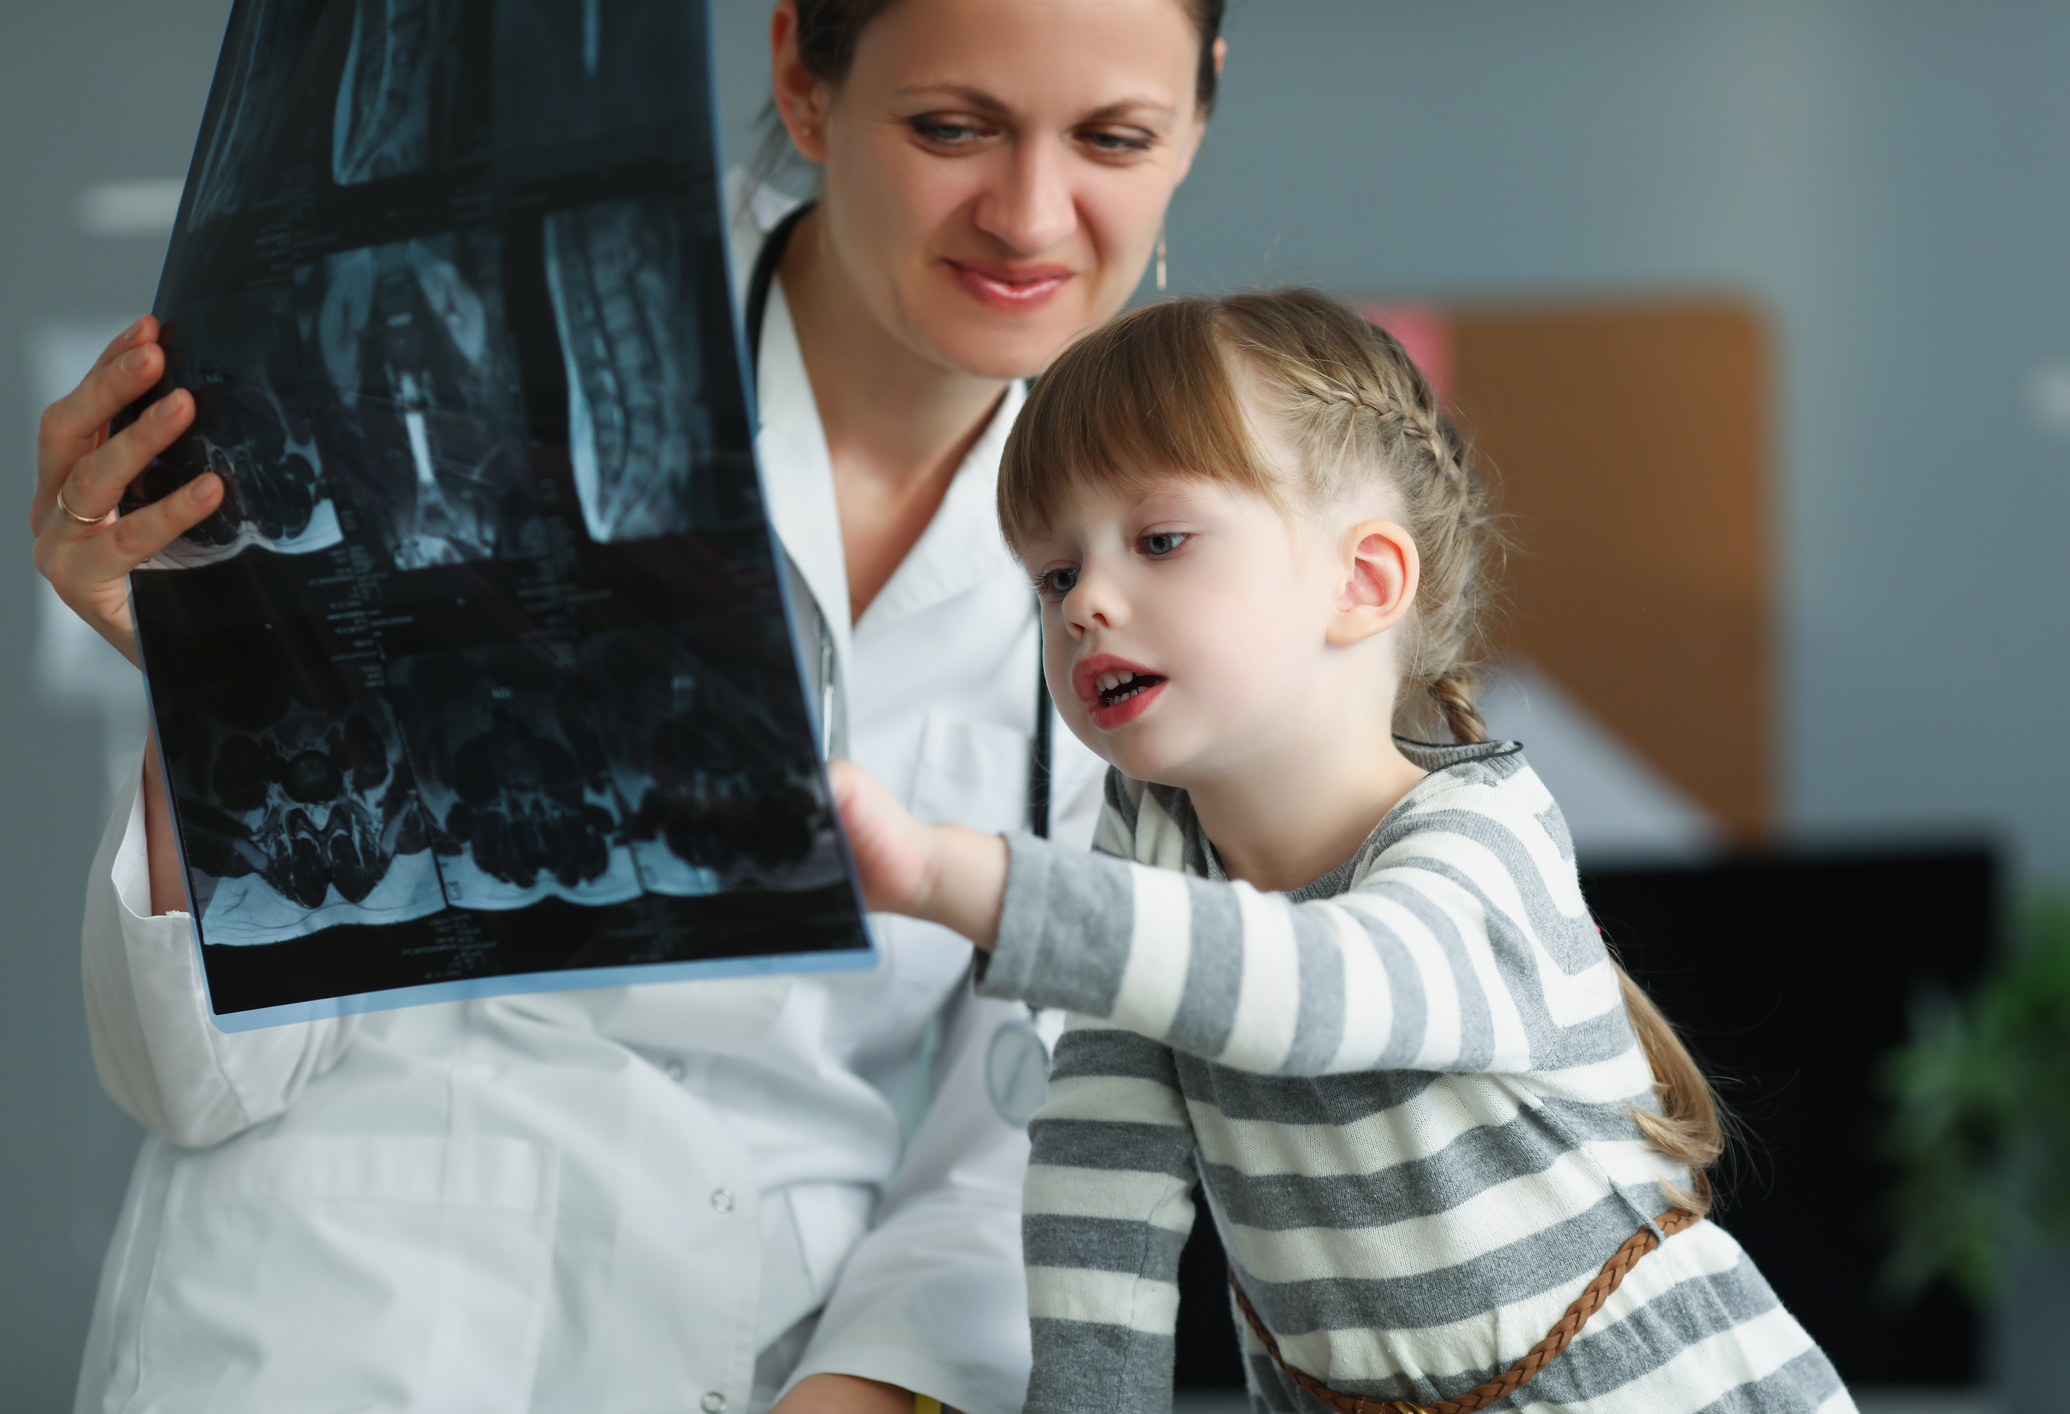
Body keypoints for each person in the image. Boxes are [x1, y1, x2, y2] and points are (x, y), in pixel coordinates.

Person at [28, 1, 1227, 1410]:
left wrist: (860, 1392)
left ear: (1200, 109)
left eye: (1112, 137)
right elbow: (202, 1077)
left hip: (756, 1353)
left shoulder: (1181, 550)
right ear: (799, 73)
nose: (1029, 214)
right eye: (949, 127)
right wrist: (215, 673)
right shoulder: (463, 347)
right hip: (336, 1316)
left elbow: (1022, 1149)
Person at [828, 289, 1855, 1414]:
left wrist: (951, 878)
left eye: (1159, 539)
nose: (1087, 605)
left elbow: (1311, 989)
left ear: (1363, 582)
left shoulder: (1484, 835)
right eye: (1056, 572)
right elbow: (1101, 1173)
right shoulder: (1154, 843)